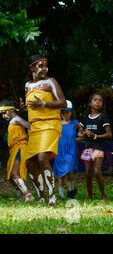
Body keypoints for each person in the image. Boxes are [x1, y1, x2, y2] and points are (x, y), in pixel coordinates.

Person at [22, 54, 67, 205]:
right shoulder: (27, 85)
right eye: (41, 66)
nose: (44, 69)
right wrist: (24, 107)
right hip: (35, 127)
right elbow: (31, 106)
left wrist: (44, 104)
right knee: (30, 163)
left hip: (50, 124)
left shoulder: (50, 81)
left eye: (45, 66)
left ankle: (52, 195)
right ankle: (41, 196)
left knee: (42, 157)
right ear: (32, 67)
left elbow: (63, 102)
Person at [78, 93, 112, 201]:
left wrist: (96, 136)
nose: (97, 102)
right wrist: (83, 132)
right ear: (90, 103)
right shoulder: (84, 118)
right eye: (95, 100)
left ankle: (103, 195)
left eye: (100, 100)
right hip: (87, 148)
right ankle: (89, 196)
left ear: (102, 105)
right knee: (88, 173)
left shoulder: (103, 117)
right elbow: (80, 133)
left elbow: (109, 134)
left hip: (98, 148)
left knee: (97, 171)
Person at [0, 100, 33, 201]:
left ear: (11, 110)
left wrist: (27, 138)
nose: (3, 116)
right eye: (1, 114)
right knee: (10, 175)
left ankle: (28, 195)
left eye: (4, 113)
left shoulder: (16, 119)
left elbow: (30, 127)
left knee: (14, 173)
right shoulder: (13, 121)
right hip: (14, 149)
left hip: (19, 148)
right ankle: (22, 194)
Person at [54, 100, 82, 199]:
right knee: (60, 173)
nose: (67, 114)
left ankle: (71, 189)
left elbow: (82, 134)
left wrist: (76, 138)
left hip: (70, 150)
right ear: (61, 113)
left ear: (71, 112)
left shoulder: (75, 123)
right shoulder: (57, 123)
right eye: (64, 112)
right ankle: (61, 194)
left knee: (68, 170)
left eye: (68, 111)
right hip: (59, 150)